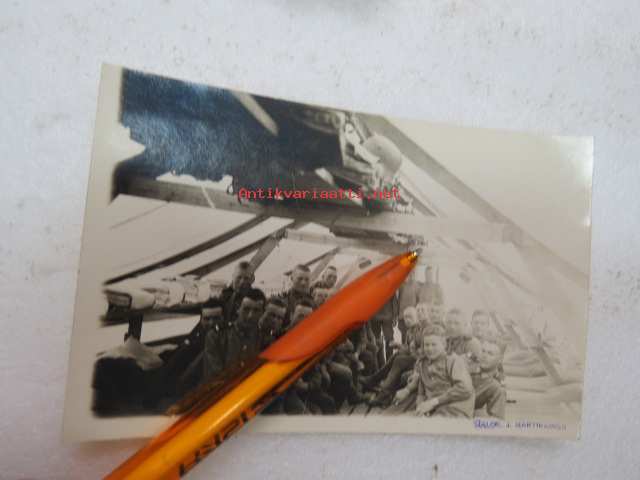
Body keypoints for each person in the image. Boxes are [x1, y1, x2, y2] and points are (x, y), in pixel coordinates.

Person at [201, 289, 265, 383]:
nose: (250, 316)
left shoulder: (263, 338)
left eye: (256, 310)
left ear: (262, 313)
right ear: (238, 309)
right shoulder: (216, 335)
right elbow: (215, 375)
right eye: (246, 309)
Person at [365, 306, 423, 407]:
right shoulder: (409, 331)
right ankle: (377, 385)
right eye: (405, 317)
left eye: (410, 317)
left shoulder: (420, 331)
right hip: (412, 358)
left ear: (417, 317)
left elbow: (418, 352)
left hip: (419, 361)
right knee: (397, 356)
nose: (407, 320)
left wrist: (400, 346)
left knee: (399, 360)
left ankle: (381, 391)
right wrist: (399, 346)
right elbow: (409, 348)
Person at [413, 325, 475, 418]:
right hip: (434, 408)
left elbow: (465, 388)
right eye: (426, 345)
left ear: (444, 345)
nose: (430, 349)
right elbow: (421, 392)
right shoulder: (423, 363)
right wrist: (420, 406)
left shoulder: (453, 360)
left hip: (455, 407)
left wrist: (434, 402)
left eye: (434, 344)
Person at [473, 336, 507, 419]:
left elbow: (496, 421)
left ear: (500, 359)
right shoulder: (468, 370)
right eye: (483, 351)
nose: (484, 356)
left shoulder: (496, 388)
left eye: (490, 353)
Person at [445, 308, 482, 374]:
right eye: (449, 322)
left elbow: (475, 366)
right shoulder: (445, 341)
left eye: (457, 323)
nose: (452, 327)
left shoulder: (471, 343)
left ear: (465, 325)